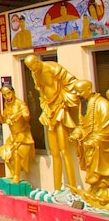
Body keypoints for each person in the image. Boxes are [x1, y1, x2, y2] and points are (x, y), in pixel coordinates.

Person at [24, 54, 80, 190]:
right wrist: (45, 106)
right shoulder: (35, 74)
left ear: (38, 61)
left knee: (64, 150)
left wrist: (63, 101)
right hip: (49, 110)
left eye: (33, 66)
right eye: (30, 68)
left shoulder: (53, 68)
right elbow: (42, 93)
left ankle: (72, 187)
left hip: (60, 108)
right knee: (54, 152)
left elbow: (72, 84)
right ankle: (57, 188)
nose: (33, 70)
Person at [70, 80, 109, 209]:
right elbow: (82, 125)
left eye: (80, 91)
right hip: (88, 143)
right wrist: (76, 133)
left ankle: (103, 191)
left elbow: (106, 128)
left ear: (88, 89)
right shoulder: (83, 104)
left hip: (99, 144)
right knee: (89, 166)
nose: (77, 94)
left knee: (99, 166)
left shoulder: (102, 104)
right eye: (76, 91)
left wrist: (94, 140)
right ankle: (95, 190)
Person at [0, 86, 35, 183]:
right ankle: (12, 173)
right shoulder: (7, 105)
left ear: (13, 92)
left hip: (24, 136)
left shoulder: (20, 104)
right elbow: (3, 120)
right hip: (13, 137)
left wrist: (23, 115)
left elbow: (27, 117)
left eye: (8, 93)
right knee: (5, 152)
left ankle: (17, 176)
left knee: (17, 153)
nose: (7, 97)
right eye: (4, 95)